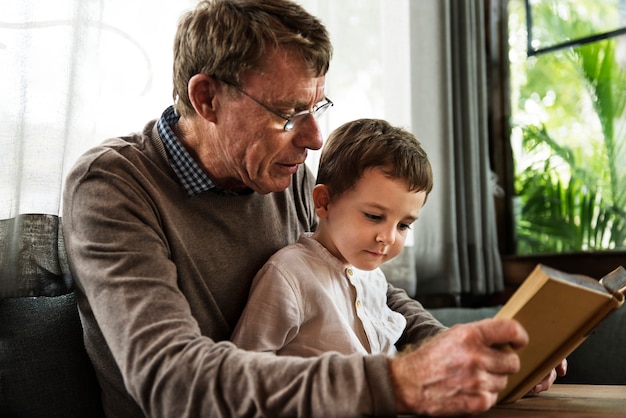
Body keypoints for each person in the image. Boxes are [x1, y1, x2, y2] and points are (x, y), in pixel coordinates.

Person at [62, 0, 565, 417]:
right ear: (207, 98)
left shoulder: (286, 175)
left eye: (317, 107)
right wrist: (394, 381)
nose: (315, 138)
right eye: (287, 113)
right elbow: (171, 381)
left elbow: (364, 286)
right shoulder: (113, 187)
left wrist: (461, 352)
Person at [231, 118, 433, 357]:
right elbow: (246, 366)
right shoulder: (288, 275)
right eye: (374, 216)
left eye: (403, 225)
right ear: (324, 202)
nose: (388, 238)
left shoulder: (371, 275)